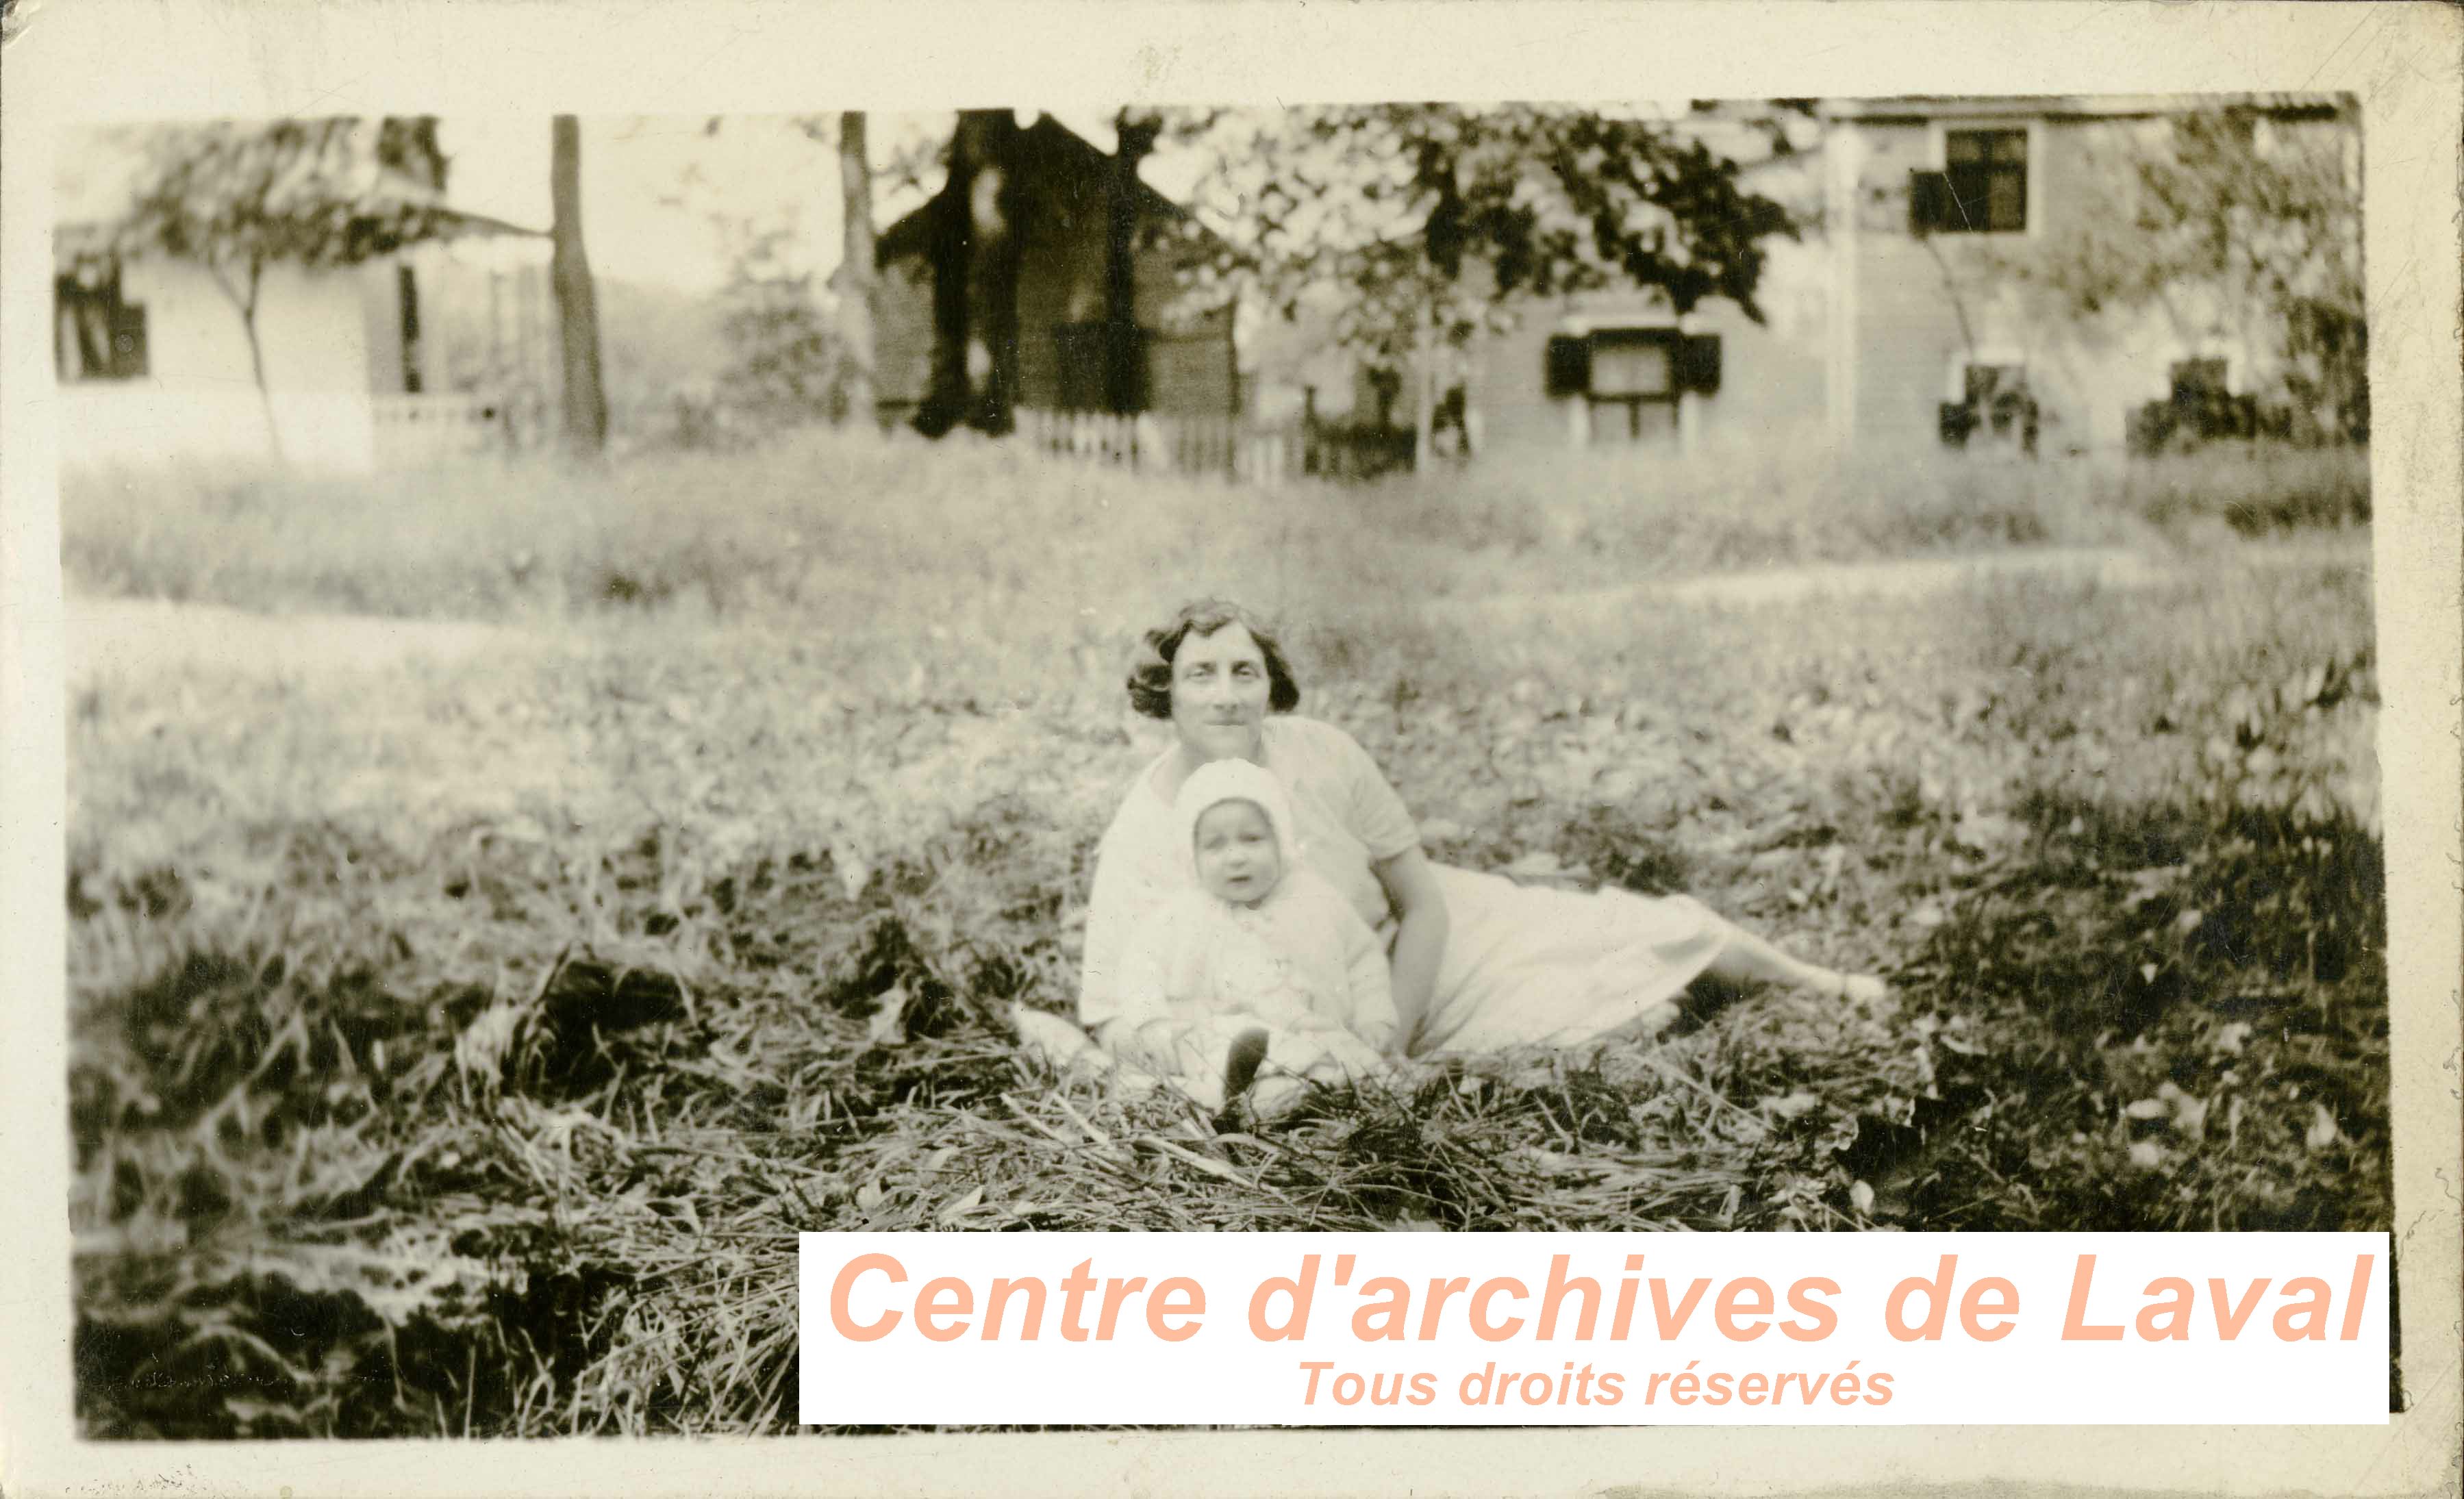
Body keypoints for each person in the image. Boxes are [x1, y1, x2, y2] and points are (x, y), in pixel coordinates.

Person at [1078, 599, 1885, 1061]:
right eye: (1200, 676)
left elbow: (1422, 901)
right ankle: (1645, 1017)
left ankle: (1824, 986)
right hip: (1301, 1014)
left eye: (1243, 672)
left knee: (1645, 930)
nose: (1225, 696)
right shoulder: (1142, 829)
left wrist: (1390, 1028)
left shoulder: (1323, 753)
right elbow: (1108, 1009)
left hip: (1424, 954)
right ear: (1167, 697)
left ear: (1270, 686)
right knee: (1581, 1034)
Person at [1106, 757, 1399, 1111]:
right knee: (1220, 1046)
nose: (1236, 857)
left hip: (1310, 1030)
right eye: (1215, 845)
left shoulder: (1316, 899)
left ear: (1282, 841)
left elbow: (1362, 958)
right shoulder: (1181, 913)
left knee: (1360, 1065)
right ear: (1192, 854)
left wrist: (1374, 1017)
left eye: (1252, 839)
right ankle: (1255, 1094)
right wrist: (1152, 1020)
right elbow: (1141, 964)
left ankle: (1331, 1090)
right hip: (1218, 1037)